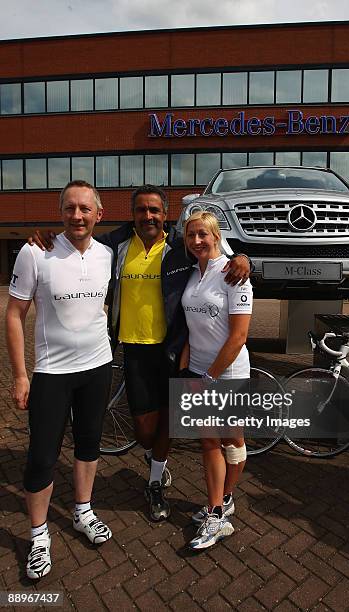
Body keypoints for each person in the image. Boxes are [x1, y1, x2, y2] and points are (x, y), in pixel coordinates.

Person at [29, 184, 251, 522]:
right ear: (132, 214)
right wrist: (44, 236)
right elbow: (77, 239)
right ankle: (155, 462)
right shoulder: (114, 245)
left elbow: (218, 249)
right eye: (141, 210)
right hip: (133, 350)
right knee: (144, 429)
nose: (148, 216)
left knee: (171, 424)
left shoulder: (181, 245)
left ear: (165, 214)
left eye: (154, 210)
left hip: (173, 352)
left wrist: (243, 258)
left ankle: (155, 482)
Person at [6, 180, 113, 580]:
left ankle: (83, 511)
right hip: (52, 373)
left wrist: (235, 252)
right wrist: (20, 374)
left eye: (85, 208)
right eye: (69, 208)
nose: (77, 215)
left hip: (98, 366)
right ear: (60, 212)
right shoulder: (36, 252)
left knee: (88, 445)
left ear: (98, 214)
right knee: (41, 458)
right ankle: (38, 536)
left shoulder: (107, 254)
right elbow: (14, 315)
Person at [179, 211, 253, 550]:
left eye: (203, 235)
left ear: (216, 236)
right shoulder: (194, 273)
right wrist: (188, 373)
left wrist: (209, 377)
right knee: (208, 442)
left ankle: (220, 507)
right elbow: (192, 330)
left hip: (227, 373)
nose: (197, 241)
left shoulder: (234, 274)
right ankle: (218, 507)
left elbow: (238, 337)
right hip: (197, 371)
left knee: (232, 441)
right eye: (191, 235)